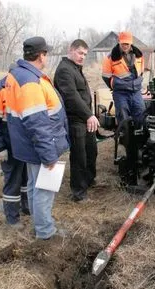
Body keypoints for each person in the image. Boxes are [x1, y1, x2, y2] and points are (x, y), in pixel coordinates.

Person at [4, 36, 70, 240]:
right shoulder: (30, 82)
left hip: (27, 145)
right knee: (44, 189)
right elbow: (37, 123)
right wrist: (49, 155)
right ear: (41, 55)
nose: (47, 57)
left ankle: (39, 224)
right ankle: (45, 232)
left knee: (34, 186)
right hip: (40, 146)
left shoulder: (19, 75)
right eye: (46, 53)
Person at [54, 39, 99, 202]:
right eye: (80, 53)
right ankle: (78, 193)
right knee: (79, 156)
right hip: (75, 120)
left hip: (85, 118)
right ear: (71, 50)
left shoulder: (75, 68)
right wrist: (88, 115)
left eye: (85, 54)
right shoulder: (64, 70)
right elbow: (72, 97)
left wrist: (88, 116)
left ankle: (89, 180)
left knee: (91, 150)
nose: (82, 57)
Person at [0, 75, 30, 229]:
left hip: (23, 143)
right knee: (12, 181)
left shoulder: (22, 86)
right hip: (8, 145)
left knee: (25, 177)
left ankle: (26, 207)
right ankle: (12, 218)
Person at [102, 31, 145, 126]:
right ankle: (125, 137)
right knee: (122, 114)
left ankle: (139, 136)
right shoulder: (110, 57)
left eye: (127, 43)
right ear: (119, 42)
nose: (125, 45)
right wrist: (117, 85)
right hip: (120, 93)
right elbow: (106, 76)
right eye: (123, 43)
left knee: (140, 111)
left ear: (131, 43)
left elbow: (141, 71)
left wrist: (136, 83)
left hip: (136, 91)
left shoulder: (139, 55)